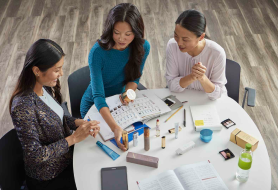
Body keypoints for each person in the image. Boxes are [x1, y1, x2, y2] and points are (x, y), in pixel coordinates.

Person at [9, 39, 100, 190]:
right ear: (37, 71)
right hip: (50, 177)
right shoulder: (22, 106)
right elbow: (35, 155)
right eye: (57, 70)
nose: (61, 73)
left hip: (66, 159)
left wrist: (79, 123)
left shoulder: (44, 87)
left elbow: (57, 118)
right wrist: (74, 138)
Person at [80, 3, 150, 151]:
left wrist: (128, 93)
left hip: (120, 102)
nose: (121, 39)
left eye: (128, 34)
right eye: (117, 32)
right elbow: (98, 96)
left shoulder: (143, 47)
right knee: (105, 149)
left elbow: (134, 79)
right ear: (110, 29)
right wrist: (114, 127)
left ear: (136, 32)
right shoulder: (97, 52)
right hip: (95, 106)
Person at [165, 10, 227, 100]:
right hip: (182, 99)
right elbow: (171, 85)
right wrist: (192, 77)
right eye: (176, 36)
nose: (179, 43)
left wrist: (202, 78)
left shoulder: (217, 53)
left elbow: (217, 95)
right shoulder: (172, 46)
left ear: (201, 37)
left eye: (185, 39)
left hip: (208, 102)